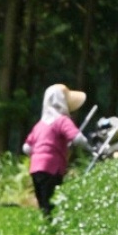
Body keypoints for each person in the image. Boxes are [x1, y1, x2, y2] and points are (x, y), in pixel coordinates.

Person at [22, 83, 91, 218]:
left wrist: (40, 150)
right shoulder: (62, 121)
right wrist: (88, 146)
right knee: (52, 199)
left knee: (42, 199)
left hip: (35, 168)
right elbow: (77, 139)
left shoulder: (39, 125)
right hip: (52, 167)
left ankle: (44, 223)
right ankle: (52, 227)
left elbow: (26, 148)